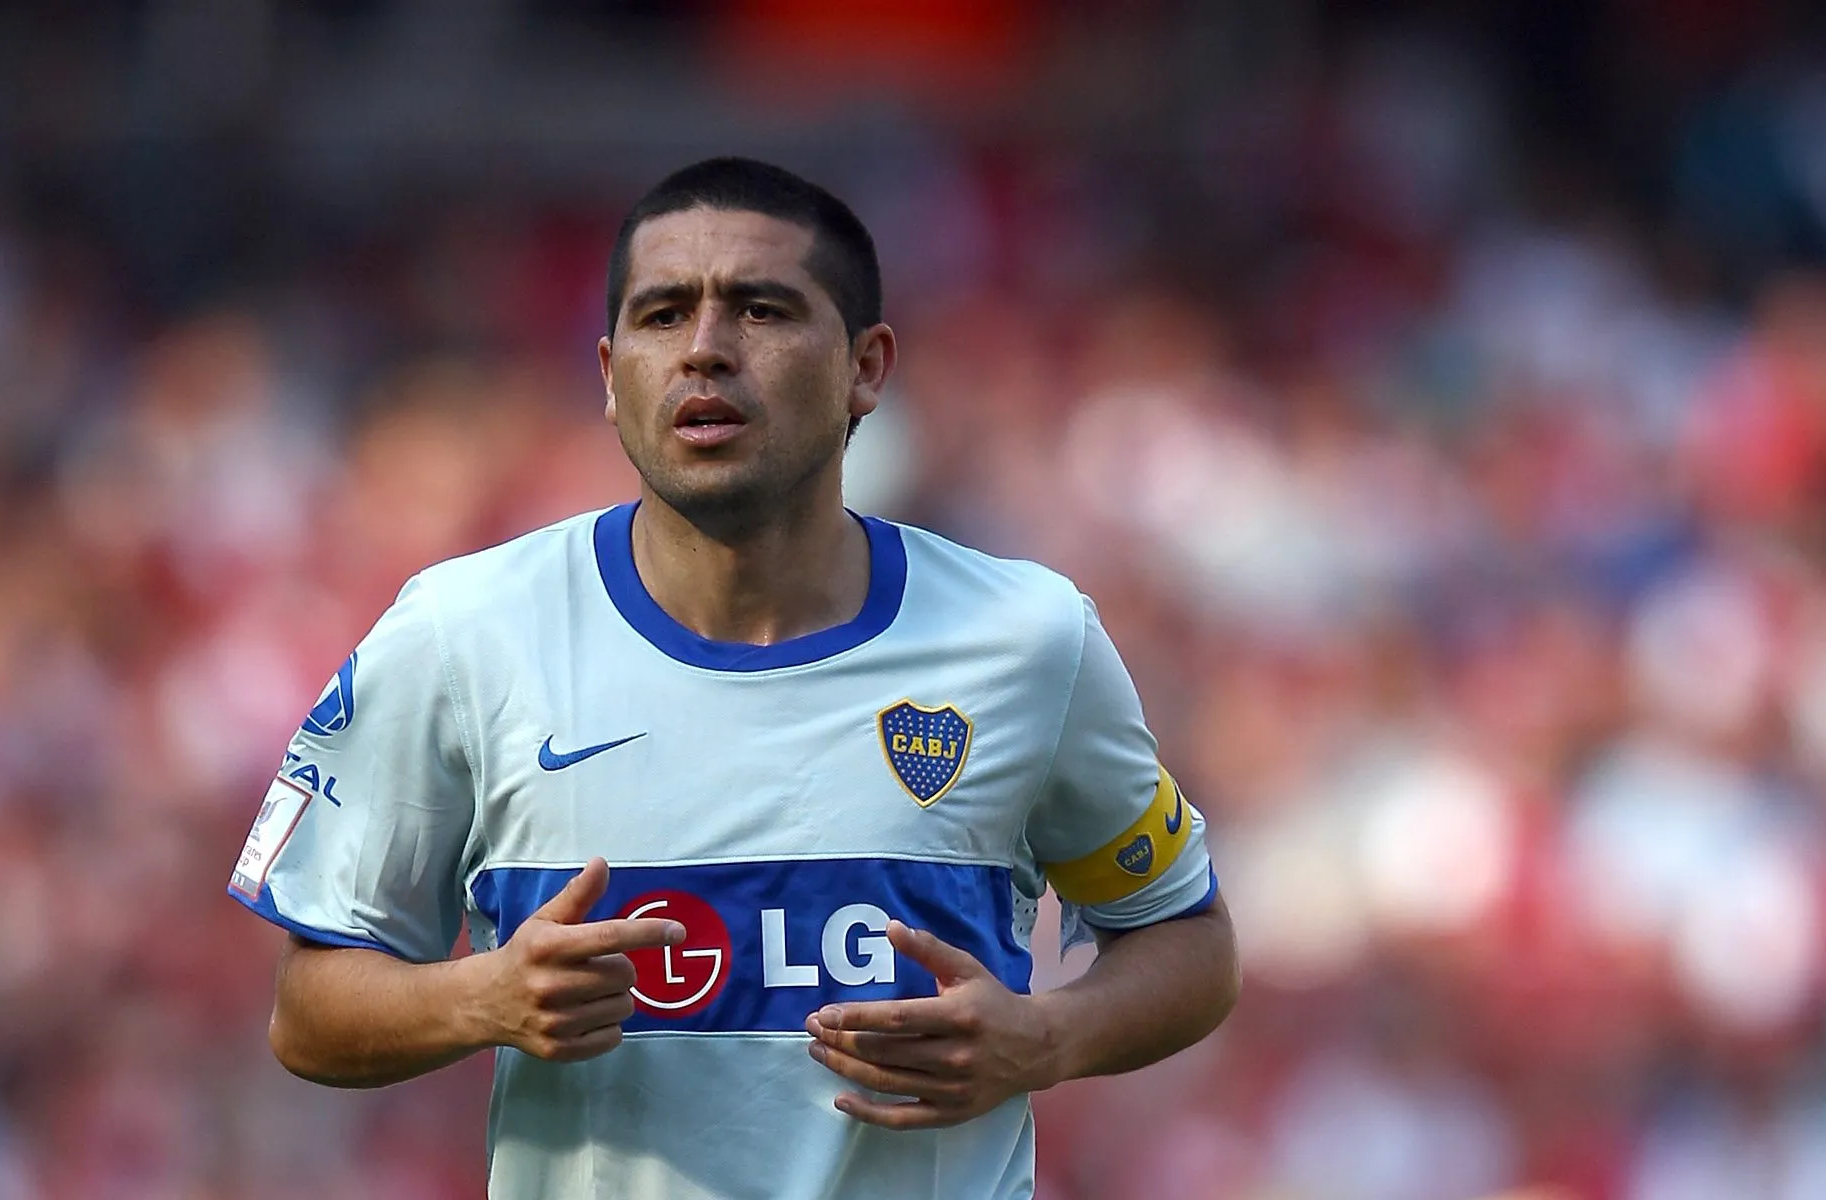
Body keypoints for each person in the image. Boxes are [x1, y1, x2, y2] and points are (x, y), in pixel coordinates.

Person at [230, 156, 1240, 1199]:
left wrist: (1047, 1040)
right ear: (610, 371)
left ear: (866, 368)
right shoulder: (462, 633)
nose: (706, 349)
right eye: (663, 316)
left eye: (760, 310)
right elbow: (306, 1014)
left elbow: (1188, 940)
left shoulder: (1027, 638)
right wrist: (480, 999)